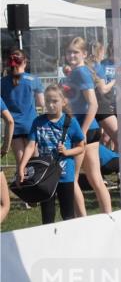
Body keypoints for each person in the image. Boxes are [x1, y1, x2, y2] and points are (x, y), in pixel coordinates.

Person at [16, 84, 86, 225]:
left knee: (68, 215)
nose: (51, 104)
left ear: (63, 101)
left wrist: (67, 152)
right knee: (47, 216)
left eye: (55, 101)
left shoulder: (70, 122)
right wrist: (21, 167)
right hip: (45, 177)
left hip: (65, 175)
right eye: (48, 101)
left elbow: (81, 147)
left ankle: (69, 243)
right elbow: (30, 146)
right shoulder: (38, 121)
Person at [62, 37, 113, 215]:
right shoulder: (76, 72)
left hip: (83, 130)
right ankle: (107, 215)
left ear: (84, 53)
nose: (71, 55)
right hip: (84, 128)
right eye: (69, 52)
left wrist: (81, 132)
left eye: (75, 52)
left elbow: (93, 104)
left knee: (72, 179)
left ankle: (82, 219)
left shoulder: (81, 72)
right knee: (94, 178)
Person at [1, 49, 44, 170]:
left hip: (14, 126)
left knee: (22, 166)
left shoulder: (2, 82)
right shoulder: (34, 80)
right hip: (31, 124)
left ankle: (24, 186)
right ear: (25, 62)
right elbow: (41, 103)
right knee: (36, 164)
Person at [92, 41, 121, 152]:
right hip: (107, 105)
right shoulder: (102, 65)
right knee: (105, 138)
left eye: (119, 50)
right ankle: (106, 161)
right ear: (110, 49)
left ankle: (119, 164)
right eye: (114, 49)